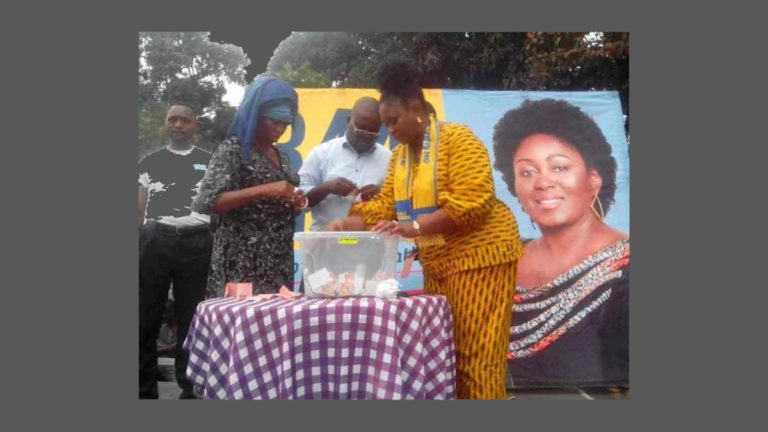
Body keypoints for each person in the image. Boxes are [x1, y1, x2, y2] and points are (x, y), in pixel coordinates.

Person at [327, 58, 524, 399]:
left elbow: (474, 202)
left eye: (393, 121)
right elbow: (383, 207)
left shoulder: (457, 139)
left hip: (482, 258)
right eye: (386, 124)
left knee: (477, 359)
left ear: (415, 108)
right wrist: (345, 223)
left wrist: (413, 227)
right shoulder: (401, 158)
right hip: (440, 264)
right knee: (448, 356)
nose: (390, 130)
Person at [492, 98, 629, 389]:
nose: (542, 183)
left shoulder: (627, 270)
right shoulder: (508, 258)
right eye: (527, 172)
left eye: (559, 168)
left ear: (594, 179)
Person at [191, 76, 307, 298]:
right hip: (242, 262)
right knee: (243, 325)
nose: (280, 128)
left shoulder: (280, 154)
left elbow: (277, 198)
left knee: (275, 325)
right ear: (255, 116)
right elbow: (206, 201)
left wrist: (294, 201)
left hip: (278, 259)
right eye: (274, 121)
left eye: (286, 123)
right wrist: (264, 189)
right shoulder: (233, 150)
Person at [139, 102, 214, 399]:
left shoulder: (210, 162)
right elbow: (138, 208)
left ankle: (189, 387)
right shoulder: (149, 162)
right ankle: (144, 389)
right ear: (165, 124)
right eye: (172, 120)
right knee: (146, 316)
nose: (178, 125)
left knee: (192, 317)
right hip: (155, 239)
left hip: (197, 241)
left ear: (195, 124)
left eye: (184, 120)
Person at [298, 96, 392, 231]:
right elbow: (298, 201)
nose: (366, 134)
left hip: (370, 246)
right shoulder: (321, 153)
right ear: (348, 121)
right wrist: (327, 188)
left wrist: (380, 196)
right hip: (325, 245)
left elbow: (398, 207)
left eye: (372, 130)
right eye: (361, 128)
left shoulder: (389, 160)